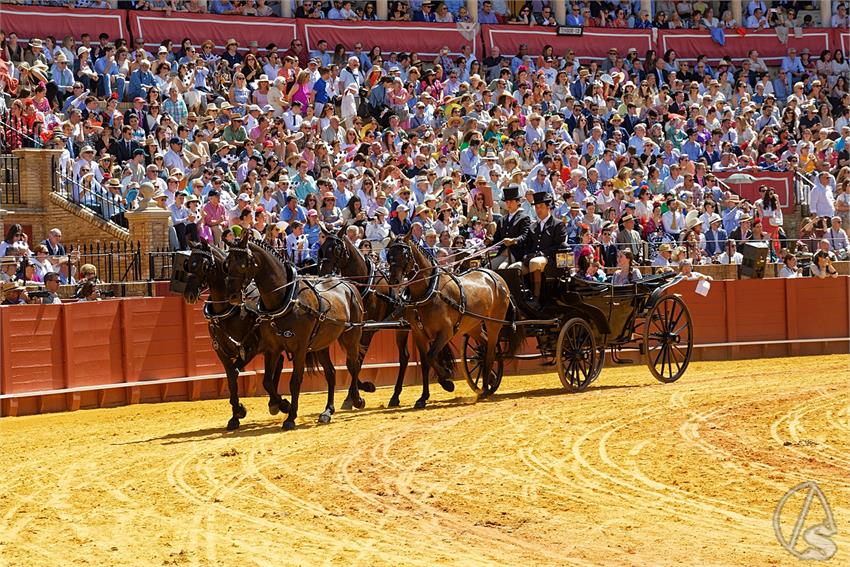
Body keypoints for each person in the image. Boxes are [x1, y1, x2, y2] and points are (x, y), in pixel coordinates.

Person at [523, 191, 567, 309]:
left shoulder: (557, 225)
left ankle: (536, 297)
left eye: (541, 206)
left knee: (535, 263)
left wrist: (543, 253)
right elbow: (528, 245)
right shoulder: (533, 226)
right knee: (515, 268)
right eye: (536, 207)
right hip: (533, 257)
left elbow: (559, 245)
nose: (538, 210)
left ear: (548, 207)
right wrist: (526, 255)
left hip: (550, 259)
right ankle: (521, 296)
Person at [490, 184, 530, 270]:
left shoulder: (524, 218)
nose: (509, 204)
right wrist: (489, 240)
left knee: (502, 269)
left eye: (511, 201)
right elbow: (496, 239)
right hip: (502, 252)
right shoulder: (502, 219)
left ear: (518, 202)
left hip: (516, 252)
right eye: (507, 202)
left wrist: (513, 241)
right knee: (488, 268)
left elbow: (524, 237)